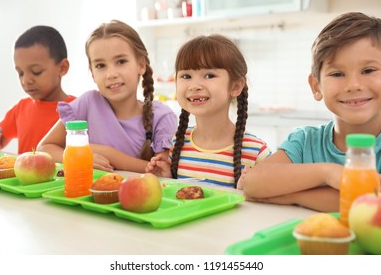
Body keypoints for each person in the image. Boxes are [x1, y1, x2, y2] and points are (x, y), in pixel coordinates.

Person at [238, 12, 381, 212]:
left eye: (368, 70)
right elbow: (252, 183)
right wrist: (328, 173)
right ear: (316, 86)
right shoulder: (305, 141)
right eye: (337, 74)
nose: (353, 85)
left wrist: (293, 195)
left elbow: (371, 202)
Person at [38, 20, 177, 173]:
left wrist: (106, 153)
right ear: (92, 73)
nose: (111, 74)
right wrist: (78, 157)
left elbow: (160, 171)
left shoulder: (161, 117)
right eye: (100, 66)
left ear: (141, 65)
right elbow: (44, 148)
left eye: (121, 61)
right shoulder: (87, 103)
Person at [145, 34, 271, 188]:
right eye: (186, 76)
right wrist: (168, 178)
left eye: (209, 75)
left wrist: (249, 191)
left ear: (236, 86)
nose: (194, 85)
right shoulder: (177, 142)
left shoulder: (256, 152)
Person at [0, 25, 75, 154]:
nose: (26, 80)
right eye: (20, 73)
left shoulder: (78, 108)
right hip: (23, 174)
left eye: (36, 72)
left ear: (62, 68)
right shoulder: (21, 108)